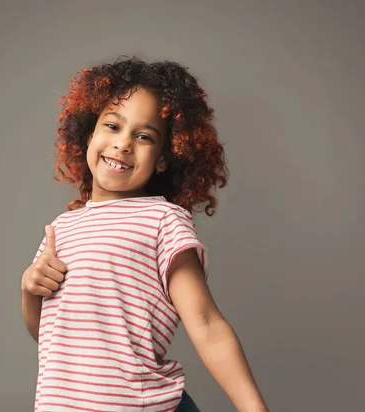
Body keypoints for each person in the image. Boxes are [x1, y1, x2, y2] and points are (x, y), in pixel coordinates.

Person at [21, 55, 268, 411]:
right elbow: (49, 335)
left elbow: (206, 324)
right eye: (112, 126)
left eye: (143, 136)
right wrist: (30, 289)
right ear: (90, 134)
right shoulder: (62, 229)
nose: (123, 144)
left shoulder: (162, 221)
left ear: (164, 158)